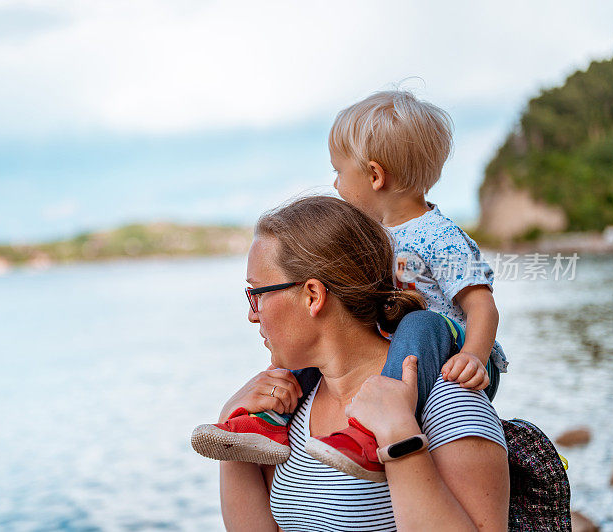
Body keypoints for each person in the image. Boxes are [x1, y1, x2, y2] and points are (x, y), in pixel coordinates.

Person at [192, 90, 507, 479]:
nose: (336, 184)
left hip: (453, 351)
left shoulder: (440, 236)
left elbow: (482, 305)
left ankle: (371, 433)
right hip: (399, 347)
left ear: (375, 176)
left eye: (340, 172)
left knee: (418, 322)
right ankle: (267, 423)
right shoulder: (375, 238)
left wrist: (474, 357)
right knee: (311, 342)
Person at [218, 196, 509, 530]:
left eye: (257, 294)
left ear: (313, 296)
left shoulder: (449, 399)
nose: (252, 315)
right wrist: (231, 434)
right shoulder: (289, 408)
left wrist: (400, 437)